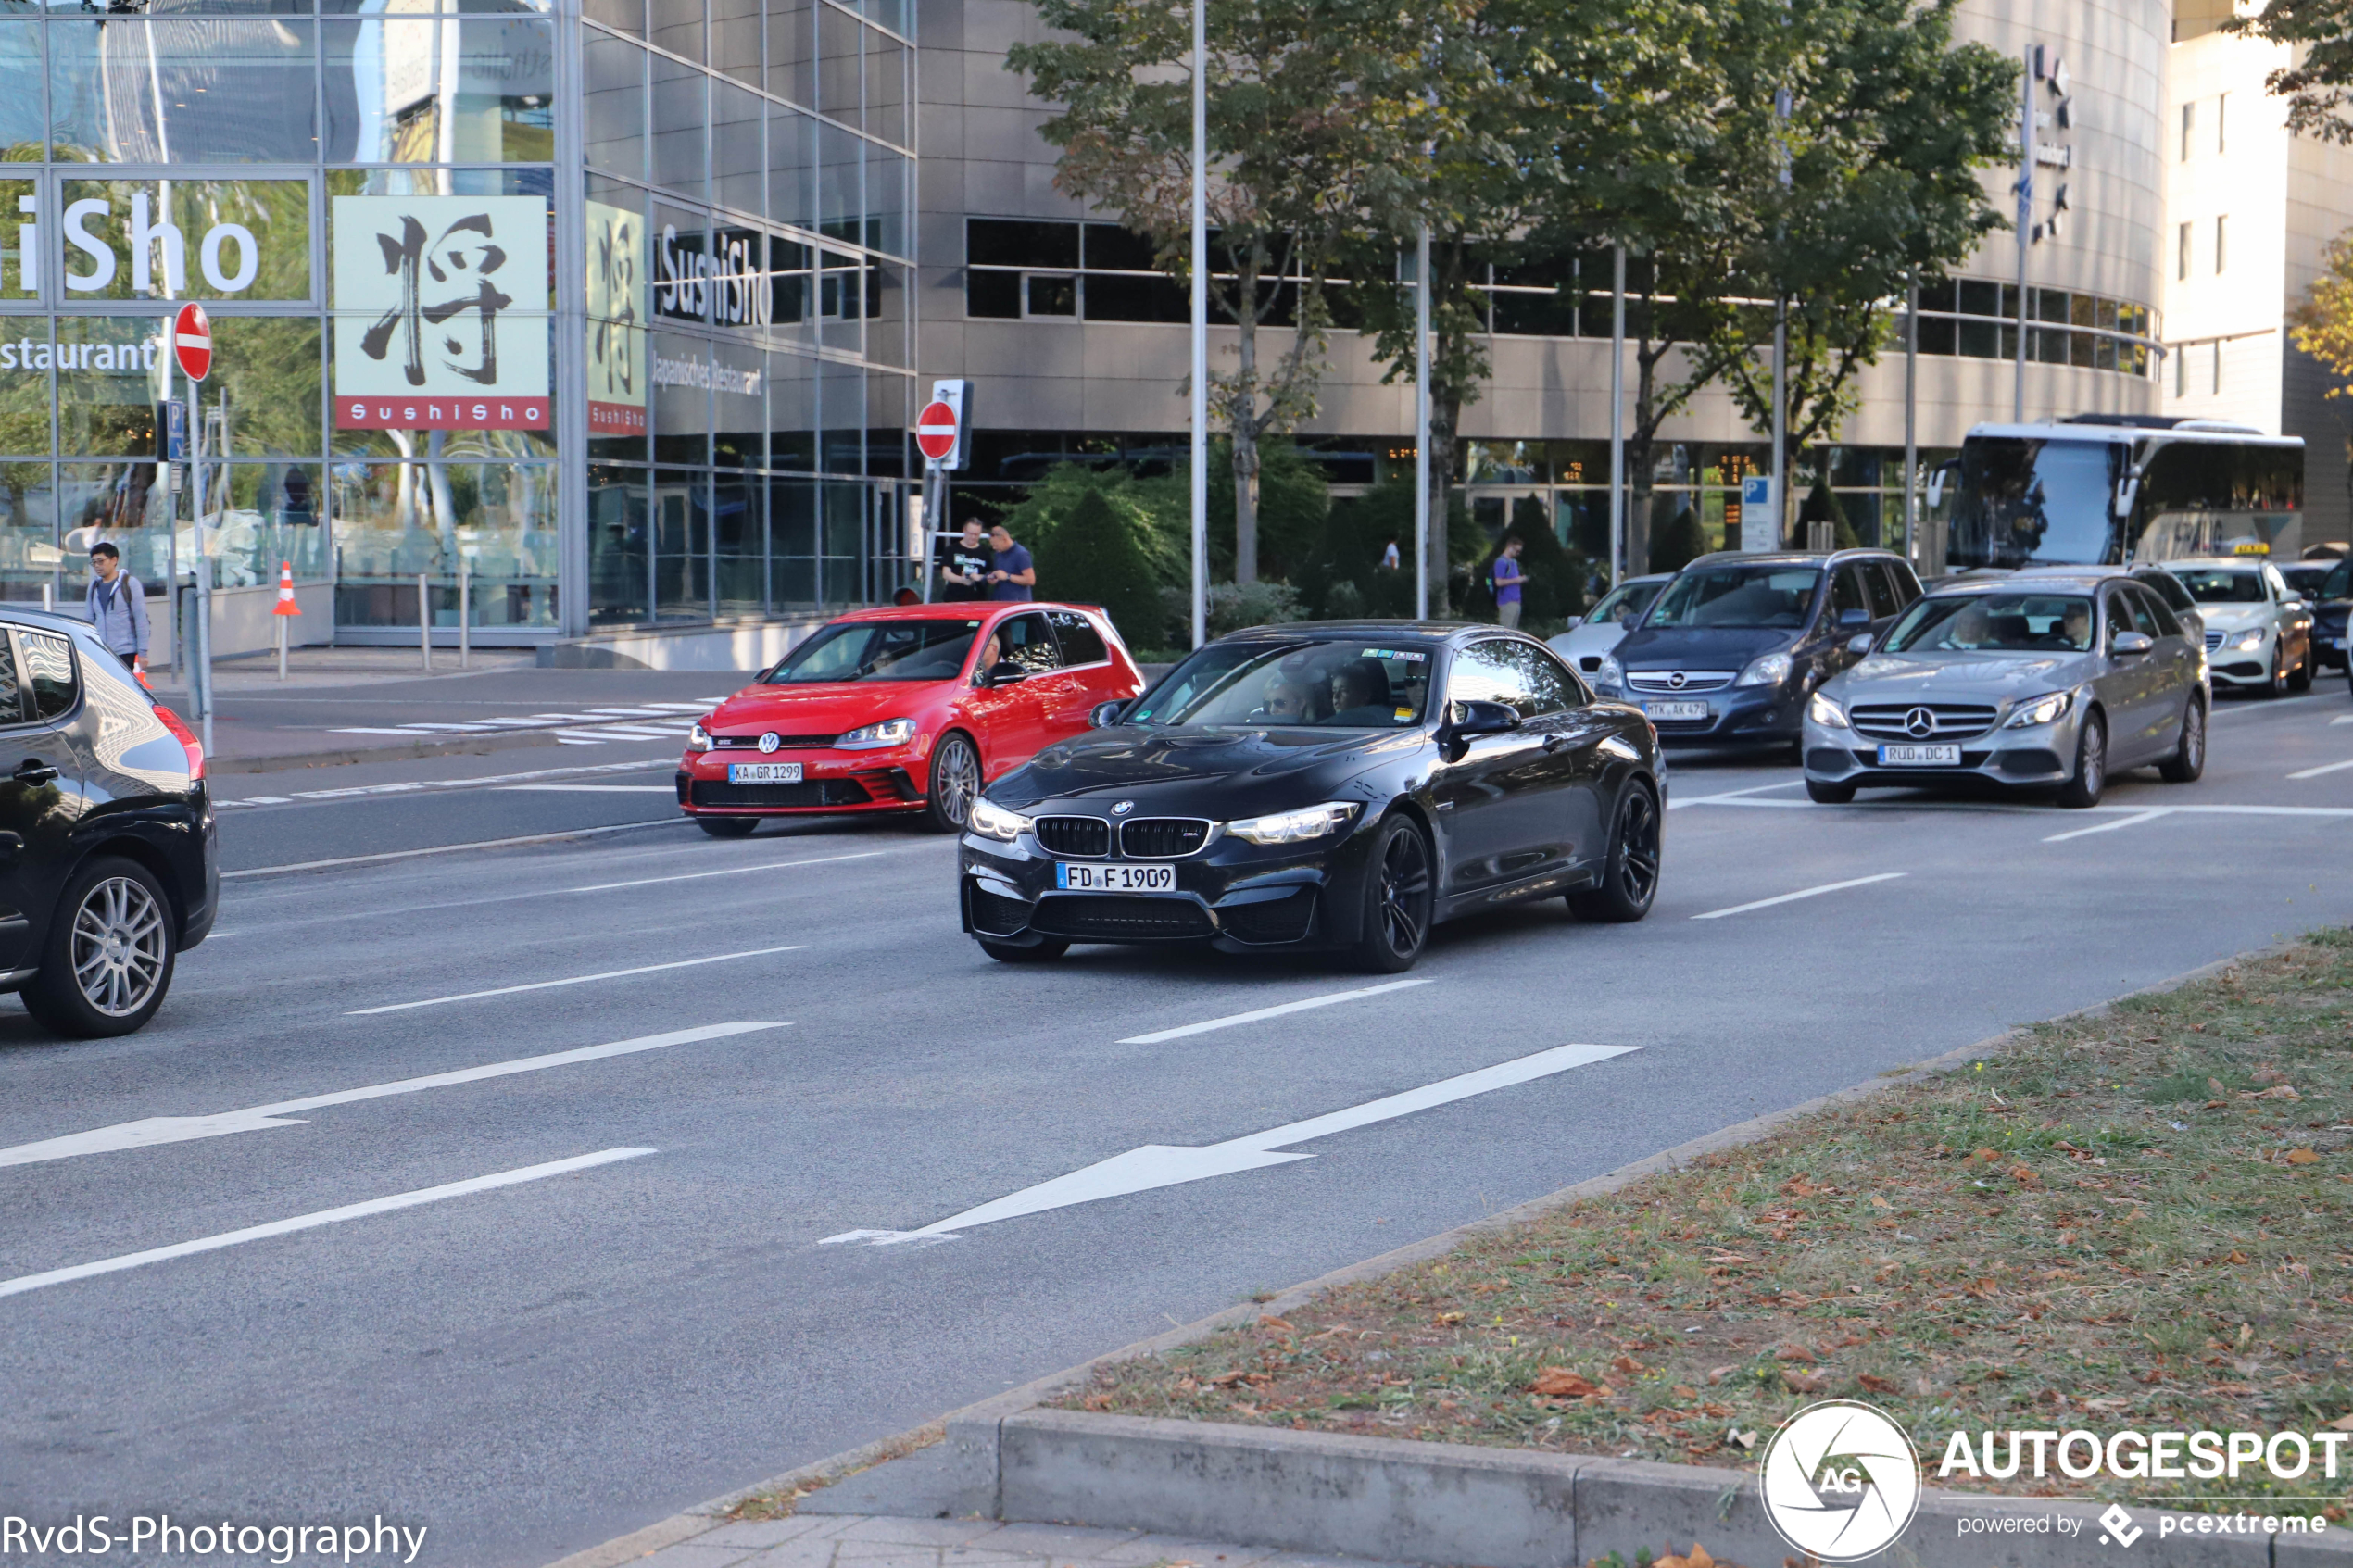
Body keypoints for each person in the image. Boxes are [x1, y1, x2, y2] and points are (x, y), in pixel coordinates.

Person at [86, 542, 149, 677]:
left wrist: (143, 652)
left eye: (100, 561)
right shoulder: (93, 587)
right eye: (94, 562)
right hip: (100, 650)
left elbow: (140, 618)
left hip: (124, 651)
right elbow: (89, 620)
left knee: (122, 690)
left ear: (114, 560)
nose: (97, 566)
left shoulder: (129, 584)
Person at [939, 521, 992, 602]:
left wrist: (979, 578)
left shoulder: (985, 552)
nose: (973, 537)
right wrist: (962, 580)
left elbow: (990, 575)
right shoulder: (952, 549)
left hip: (978, 599)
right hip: (954, 599)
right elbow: (945, 574)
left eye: (976, 534)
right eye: (971, 533)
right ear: (964, 530)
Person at [986, 523, 1035, 601]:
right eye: (992, 545)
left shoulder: (1021, 554)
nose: (994, 548)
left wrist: (1007, 576)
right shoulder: (999, 554)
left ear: (1004, 539)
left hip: (1017, 604)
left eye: (996, 545)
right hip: (1000, 601)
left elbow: (1030, 580)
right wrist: (993, 577)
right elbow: (1000, 574)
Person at [1491, 535, 1528, 629]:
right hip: (1506, 601)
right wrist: (1516, 580)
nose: (1518, 553)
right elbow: (1498, 582)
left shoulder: (1513, 562)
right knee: (1506, 631)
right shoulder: (1501, 562)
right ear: (1510, 548)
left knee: (1514, 633)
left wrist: (1521, 579)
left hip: (1516, 601)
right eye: (1517, 551)